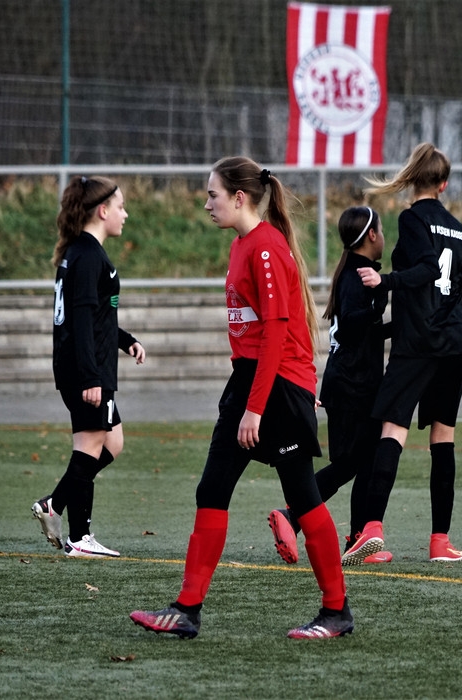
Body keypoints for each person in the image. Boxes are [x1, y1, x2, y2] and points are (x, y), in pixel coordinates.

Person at [130, 156, 352, 640]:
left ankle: (337, 611)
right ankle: (187, 610)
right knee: (212, 489)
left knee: (304, 497)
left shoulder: (266, 247)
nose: (206, 203)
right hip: (250, 381)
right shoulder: (241, 245)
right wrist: (247, 397)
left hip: (276, 387)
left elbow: (277, 332)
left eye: (212, 194)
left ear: (239, 197)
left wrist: (257, 406)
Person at [351, 142, 462, 563]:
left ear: (413, 178)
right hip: (455, 342)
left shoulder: (411, 218)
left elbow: (424, 270)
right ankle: (440, 542)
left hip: (418, 342)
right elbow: (457, 287)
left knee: (393, 429)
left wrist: (384, 281)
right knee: (443, 436)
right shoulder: (460, 229)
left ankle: (371, 530)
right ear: (444, 184)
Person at [267, 206, 395, 566]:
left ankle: (357, 539)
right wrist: (379, 307)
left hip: (351, 384)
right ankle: (293, 514)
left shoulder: (355, 272)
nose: (384, 237)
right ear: (372, 235)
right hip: (352, 387)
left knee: (362, 463)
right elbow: (354, 327)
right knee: (351, 464)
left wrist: (398, 327)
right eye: (382, 230)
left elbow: (364, 334)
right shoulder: (358, 276)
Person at [31, 175, 145, 558]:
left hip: (90, 366)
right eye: (121, 207)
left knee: (112, 442)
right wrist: (91, 377)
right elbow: (80, 321)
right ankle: (76, 532)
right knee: (91, 447)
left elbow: (95, 316)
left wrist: (125, 340)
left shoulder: (82, 252)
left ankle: (61, 511)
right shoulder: (87, 256)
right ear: (102, 211)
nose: (125, 214)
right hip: (87, 371)